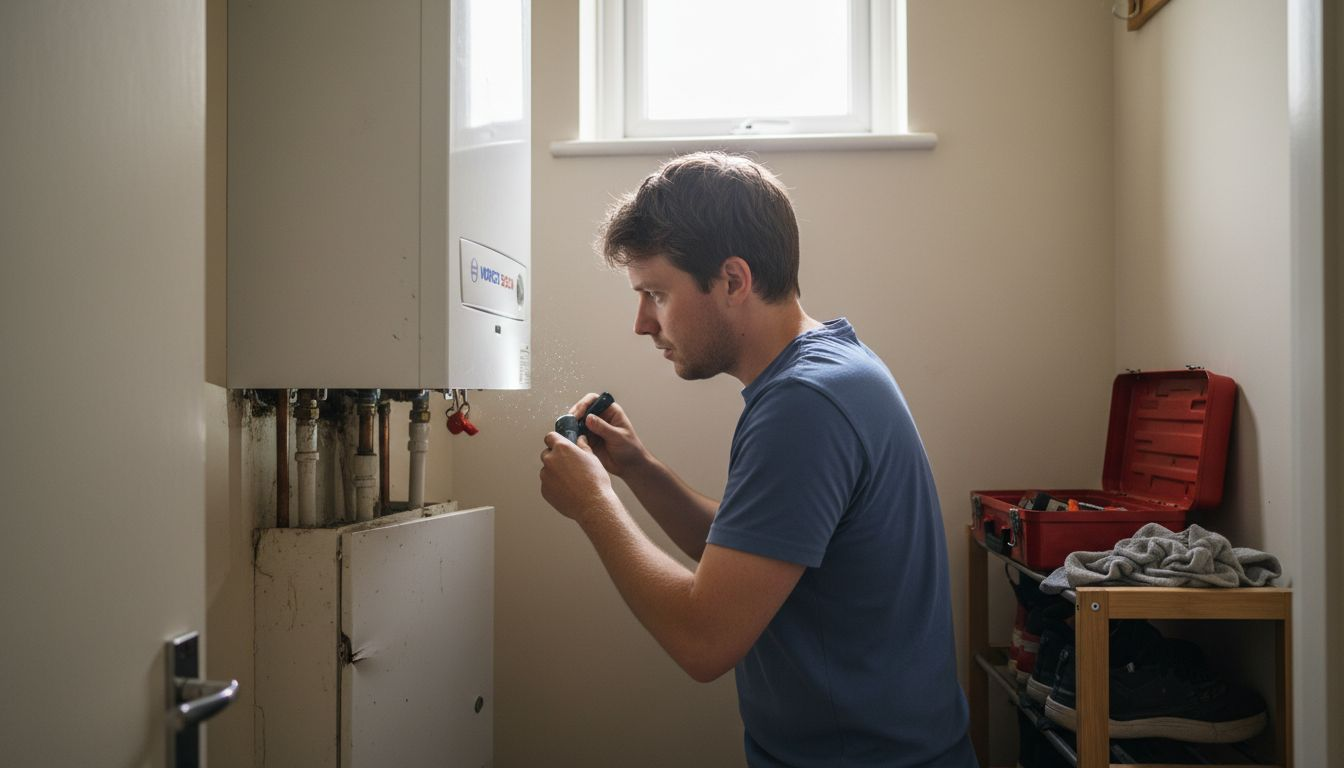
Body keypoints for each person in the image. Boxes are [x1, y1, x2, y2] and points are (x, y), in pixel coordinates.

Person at [538, 152, 976, 768]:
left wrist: (593, 505)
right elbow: (753, 553)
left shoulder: (804, 405)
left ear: (734, 280)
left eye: (656, 295)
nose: (642, 324)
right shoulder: (828, 371)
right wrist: (638, 469)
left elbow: (704, 639)